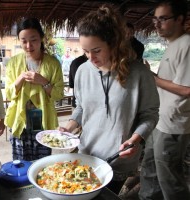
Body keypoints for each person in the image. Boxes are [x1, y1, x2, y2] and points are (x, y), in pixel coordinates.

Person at [59, 4, 159, 194]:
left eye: (96, 50)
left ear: (113, 42)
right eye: (86, 51)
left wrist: (136, 139)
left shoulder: (138, 74)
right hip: (87, 154)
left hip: (118, 158)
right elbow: (81, 107)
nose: (91, 58)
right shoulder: (82, 71)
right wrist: (70, 126)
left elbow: (150, 115)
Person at [139, 1, 190, 199]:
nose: (157, 24)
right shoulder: (173, 45)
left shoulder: (186, 44)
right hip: (161, 121)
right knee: (150, 171)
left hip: (174, 125)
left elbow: (186, 90)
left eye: (163, 19)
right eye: (155, 19)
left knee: (170, 180)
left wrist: (153, 78)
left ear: (180, 19)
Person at [4, 18, 64, 161]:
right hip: (20, 119)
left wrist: (43, 81)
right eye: (23, 41)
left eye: (33, 40)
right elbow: (9, 93)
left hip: (43, 121)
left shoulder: (52, 63)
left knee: (42, 162)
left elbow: (58, 94)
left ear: (41, 38)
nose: (28, 45)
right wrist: (19, 79)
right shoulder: (13, 62)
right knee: (21, 162)